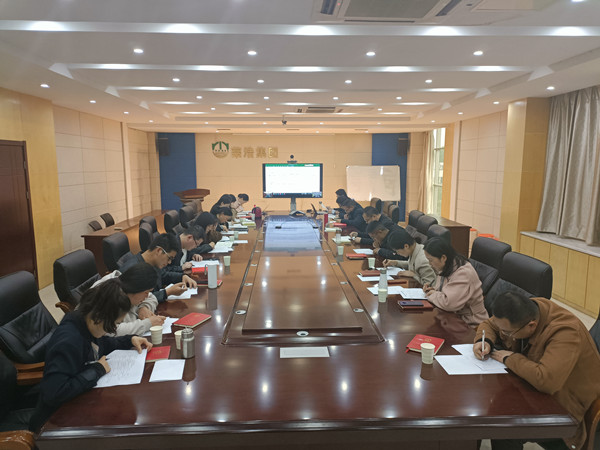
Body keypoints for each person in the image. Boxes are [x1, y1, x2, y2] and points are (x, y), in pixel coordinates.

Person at [474, 291, 600, 450]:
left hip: (566, 411)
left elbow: (546, 380)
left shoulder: (566, 332)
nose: (504, 334)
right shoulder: (528, 309)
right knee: (492, 409)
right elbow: (489, 324)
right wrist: (484, 340)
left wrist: (510, 358)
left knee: (504, 427)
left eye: (507, 332)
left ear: (531, 326)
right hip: (531, 392)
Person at [29, 280, 153, 432]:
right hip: (54, 423)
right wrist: (97, 370)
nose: (113, 330)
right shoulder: (69, 341)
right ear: (100, 317)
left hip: (80, 403)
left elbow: (103, 344)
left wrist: (129, 340)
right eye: (114, 324)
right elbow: (54, 394)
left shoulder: (86, 322)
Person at [422, 237, 487, 327]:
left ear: (443, 258)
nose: (429, 264)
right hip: (453, 318)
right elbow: (446, 291)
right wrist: (432, 290)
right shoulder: (448, 265)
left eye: (431, 260)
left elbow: (449, 303)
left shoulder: (463, 273)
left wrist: (432, 295)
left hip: (471, 323)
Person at [93, 262, 165, 336]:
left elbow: (151, 297)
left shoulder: (127, 286)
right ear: (136, 288)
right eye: (146, 292)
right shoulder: (109, 293)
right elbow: (109, 331)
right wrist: (147, 324)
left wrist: (144, 308)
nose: (146, 296)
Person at [120, 233, 196, 303]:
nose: (169, 262)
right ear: (159, 251)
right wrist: (167, 292)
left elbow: (163, 275)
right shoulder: (133, 270)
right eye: (169, 258)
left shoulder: (153, 263)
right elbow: (139, 301)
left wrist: (182, 277)